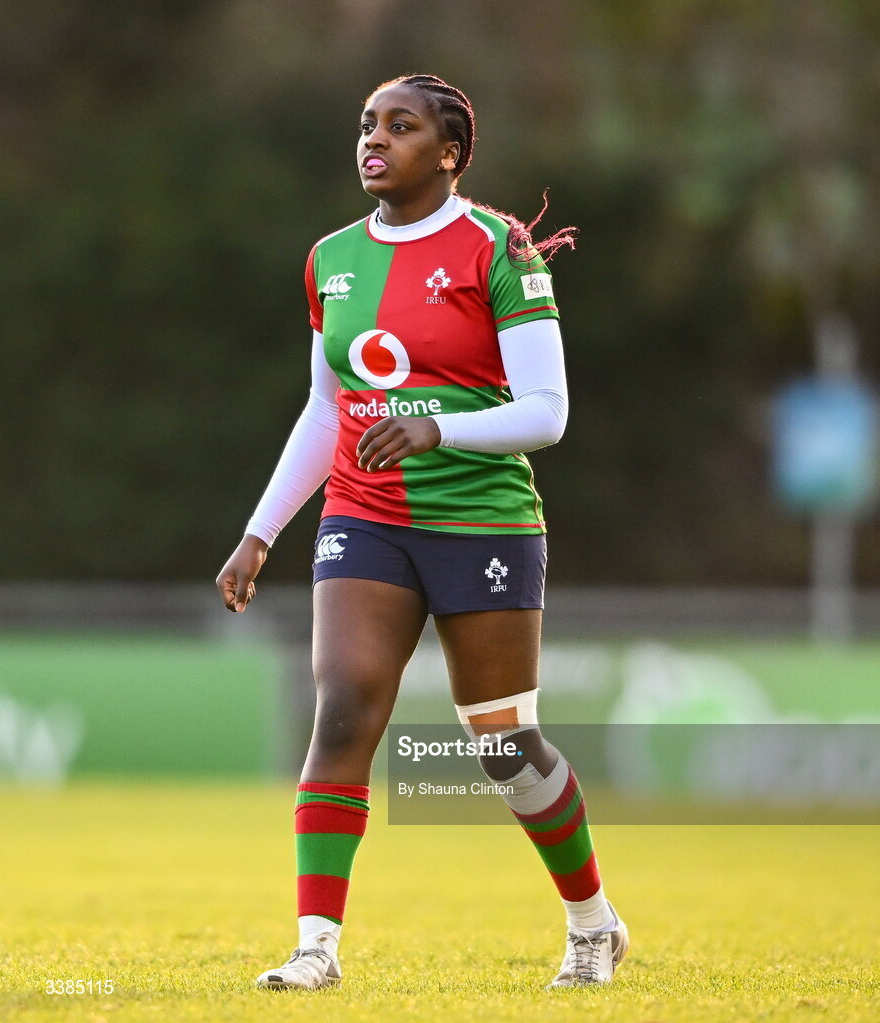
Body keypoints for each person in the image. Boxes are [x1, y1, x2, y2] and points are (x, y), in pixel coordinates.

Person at [215, 73, 628, 992]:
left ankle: (592, 922)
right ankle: (314, 945)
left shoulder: (499, 246)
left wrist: (440, 426)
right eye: (367, 124)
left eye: (400, 127)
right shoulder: (330, 258)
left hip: (482, 517)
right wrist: (260, 531)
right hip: (364, 514)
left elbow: (547, 411)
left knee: (501, 746)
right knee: (344, 707)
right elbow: (329, 408)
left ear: (448, 153)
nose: (375, 140)